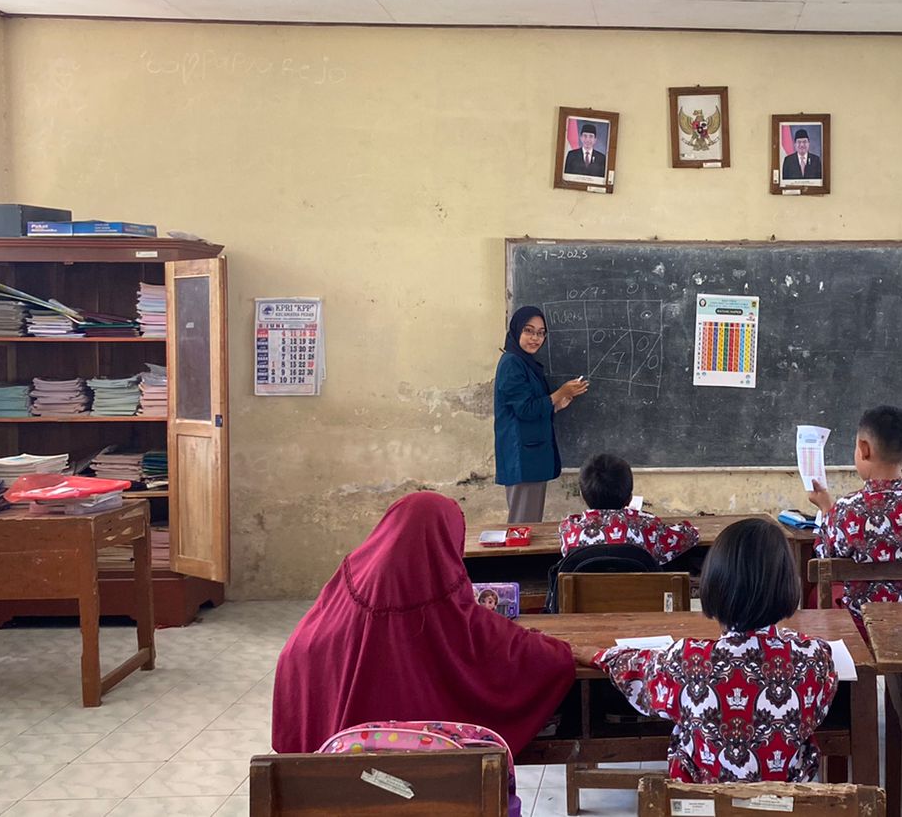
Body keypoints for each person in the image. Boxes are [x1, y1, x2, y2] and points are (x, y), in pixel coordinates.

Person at [272, 492, 583, 754]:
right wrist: (567, 651)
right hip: (438, 788)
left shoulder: (335, 607)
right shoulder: (454, 617)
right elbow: (522, 653)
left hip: (340, 788)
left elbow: (295, 666)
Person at [587, 519, 838, 782]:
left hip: (701, 801)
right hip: (786, 802)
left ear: (714, 583)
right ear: (786, 584)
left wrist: (596, 655)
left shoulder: (686, 658)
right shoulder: (814, 658)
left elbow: (636, 670)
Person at [808, 405, 902, 627]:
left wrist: (826, 510)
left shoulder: (847, 510)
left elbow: (824, 558)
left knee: (816, 592)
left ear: (864, 448)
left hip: (863, 625)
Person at [493, 306, 588, 523]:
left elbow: (527, 406)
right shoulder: (512, 363)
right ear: (516, 330)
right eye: (528, 331)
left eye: (541, 333)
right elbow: (525, 409)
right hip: (522, 456)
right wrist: (559, 393)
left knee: (529, 522)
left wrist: (556, 405)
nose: (535, 338)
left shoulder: (524, 363)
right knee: (524, 524)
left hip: (530, 456)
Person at [560, 453, 699, 564]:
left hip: (588, 593)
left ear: (582, 495)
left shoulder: (569, 529)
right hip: (642, 592)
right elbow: (690, 535)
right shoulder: (648, 527)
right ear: (630, 498)